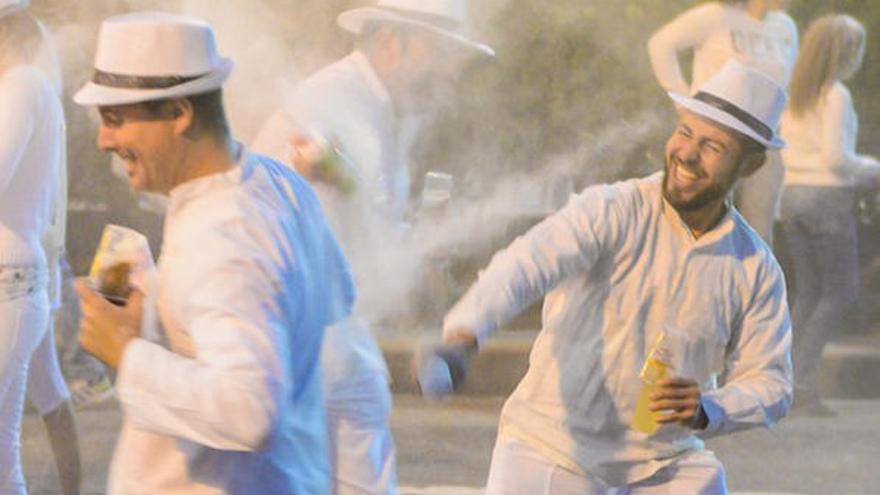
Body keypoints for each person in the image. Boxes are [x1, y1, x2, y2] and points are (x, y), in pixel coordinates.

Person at [426, 61, 793, 494]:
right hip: (552, 449)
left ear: (750, 166)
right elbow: (524, 264)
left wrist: (708, 408)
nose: (688, 154)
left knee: (706, 481)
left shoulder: (755, 268)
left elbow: (772, 382)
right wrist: (465, 334)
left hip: (662, 463)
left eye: (713, 146)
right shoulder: (610, 210)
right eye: (685, 133)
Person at [72, 12, 354, 494]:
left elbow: (249, 411)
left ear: (179, 113)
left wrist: (127, 351)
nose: (104, 140)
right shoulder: (276, 182)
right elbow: (335, 299)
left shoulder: (222, 236)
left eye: (116, 119)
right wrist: (158, 324)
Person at [251, 1, 493, 492]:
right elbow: (323, 180)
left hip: (339, 331)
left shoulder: (389, 110)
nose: (451, 76)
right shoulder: (331, 97)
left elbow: (369, 220)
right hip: (293, 332)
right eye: (443, 56)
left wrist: (417, 245)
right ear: (389, 45)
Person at [779, 14, 879, 416]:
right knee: (838, 293)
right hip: (827, 199)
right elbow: (836, 159)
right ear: (843, 52)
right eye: (855, 48)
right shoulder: (835, 95)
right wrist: (873, 168)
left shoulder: (794, 92)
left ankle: (780, 380)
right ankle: (800, 384)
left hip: (792, 196)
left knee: (808, 293)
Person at [648, 0, 798, 245]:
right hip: (711, 141)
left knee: (758, 231)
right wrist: (683, 102)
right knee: (698, 221)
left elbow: (785, 88)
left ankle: (750, 282)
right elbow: (661, 45)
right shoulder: (716, 16)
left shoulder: (786, 27)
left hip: (760, 146)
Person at [0, 0, 69, 493]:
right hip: (14, 286)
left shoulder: (22, 84)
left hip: (8, 287)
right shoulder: (23, 86)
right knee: (4, 462)